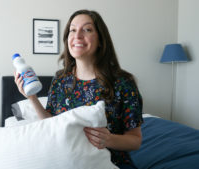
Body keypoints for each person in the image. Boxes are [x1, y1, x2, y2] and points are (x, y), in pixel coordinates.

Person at [14, 9, 143, 169]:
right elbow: (51, 123)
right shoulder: (60, 80)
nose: (77, 35)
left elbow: (135, 140)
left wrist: (108, 139)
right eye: (72, 30)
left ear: (101, 40)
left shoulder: (123, 82)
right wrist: (32, 98)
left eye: (87, 29)